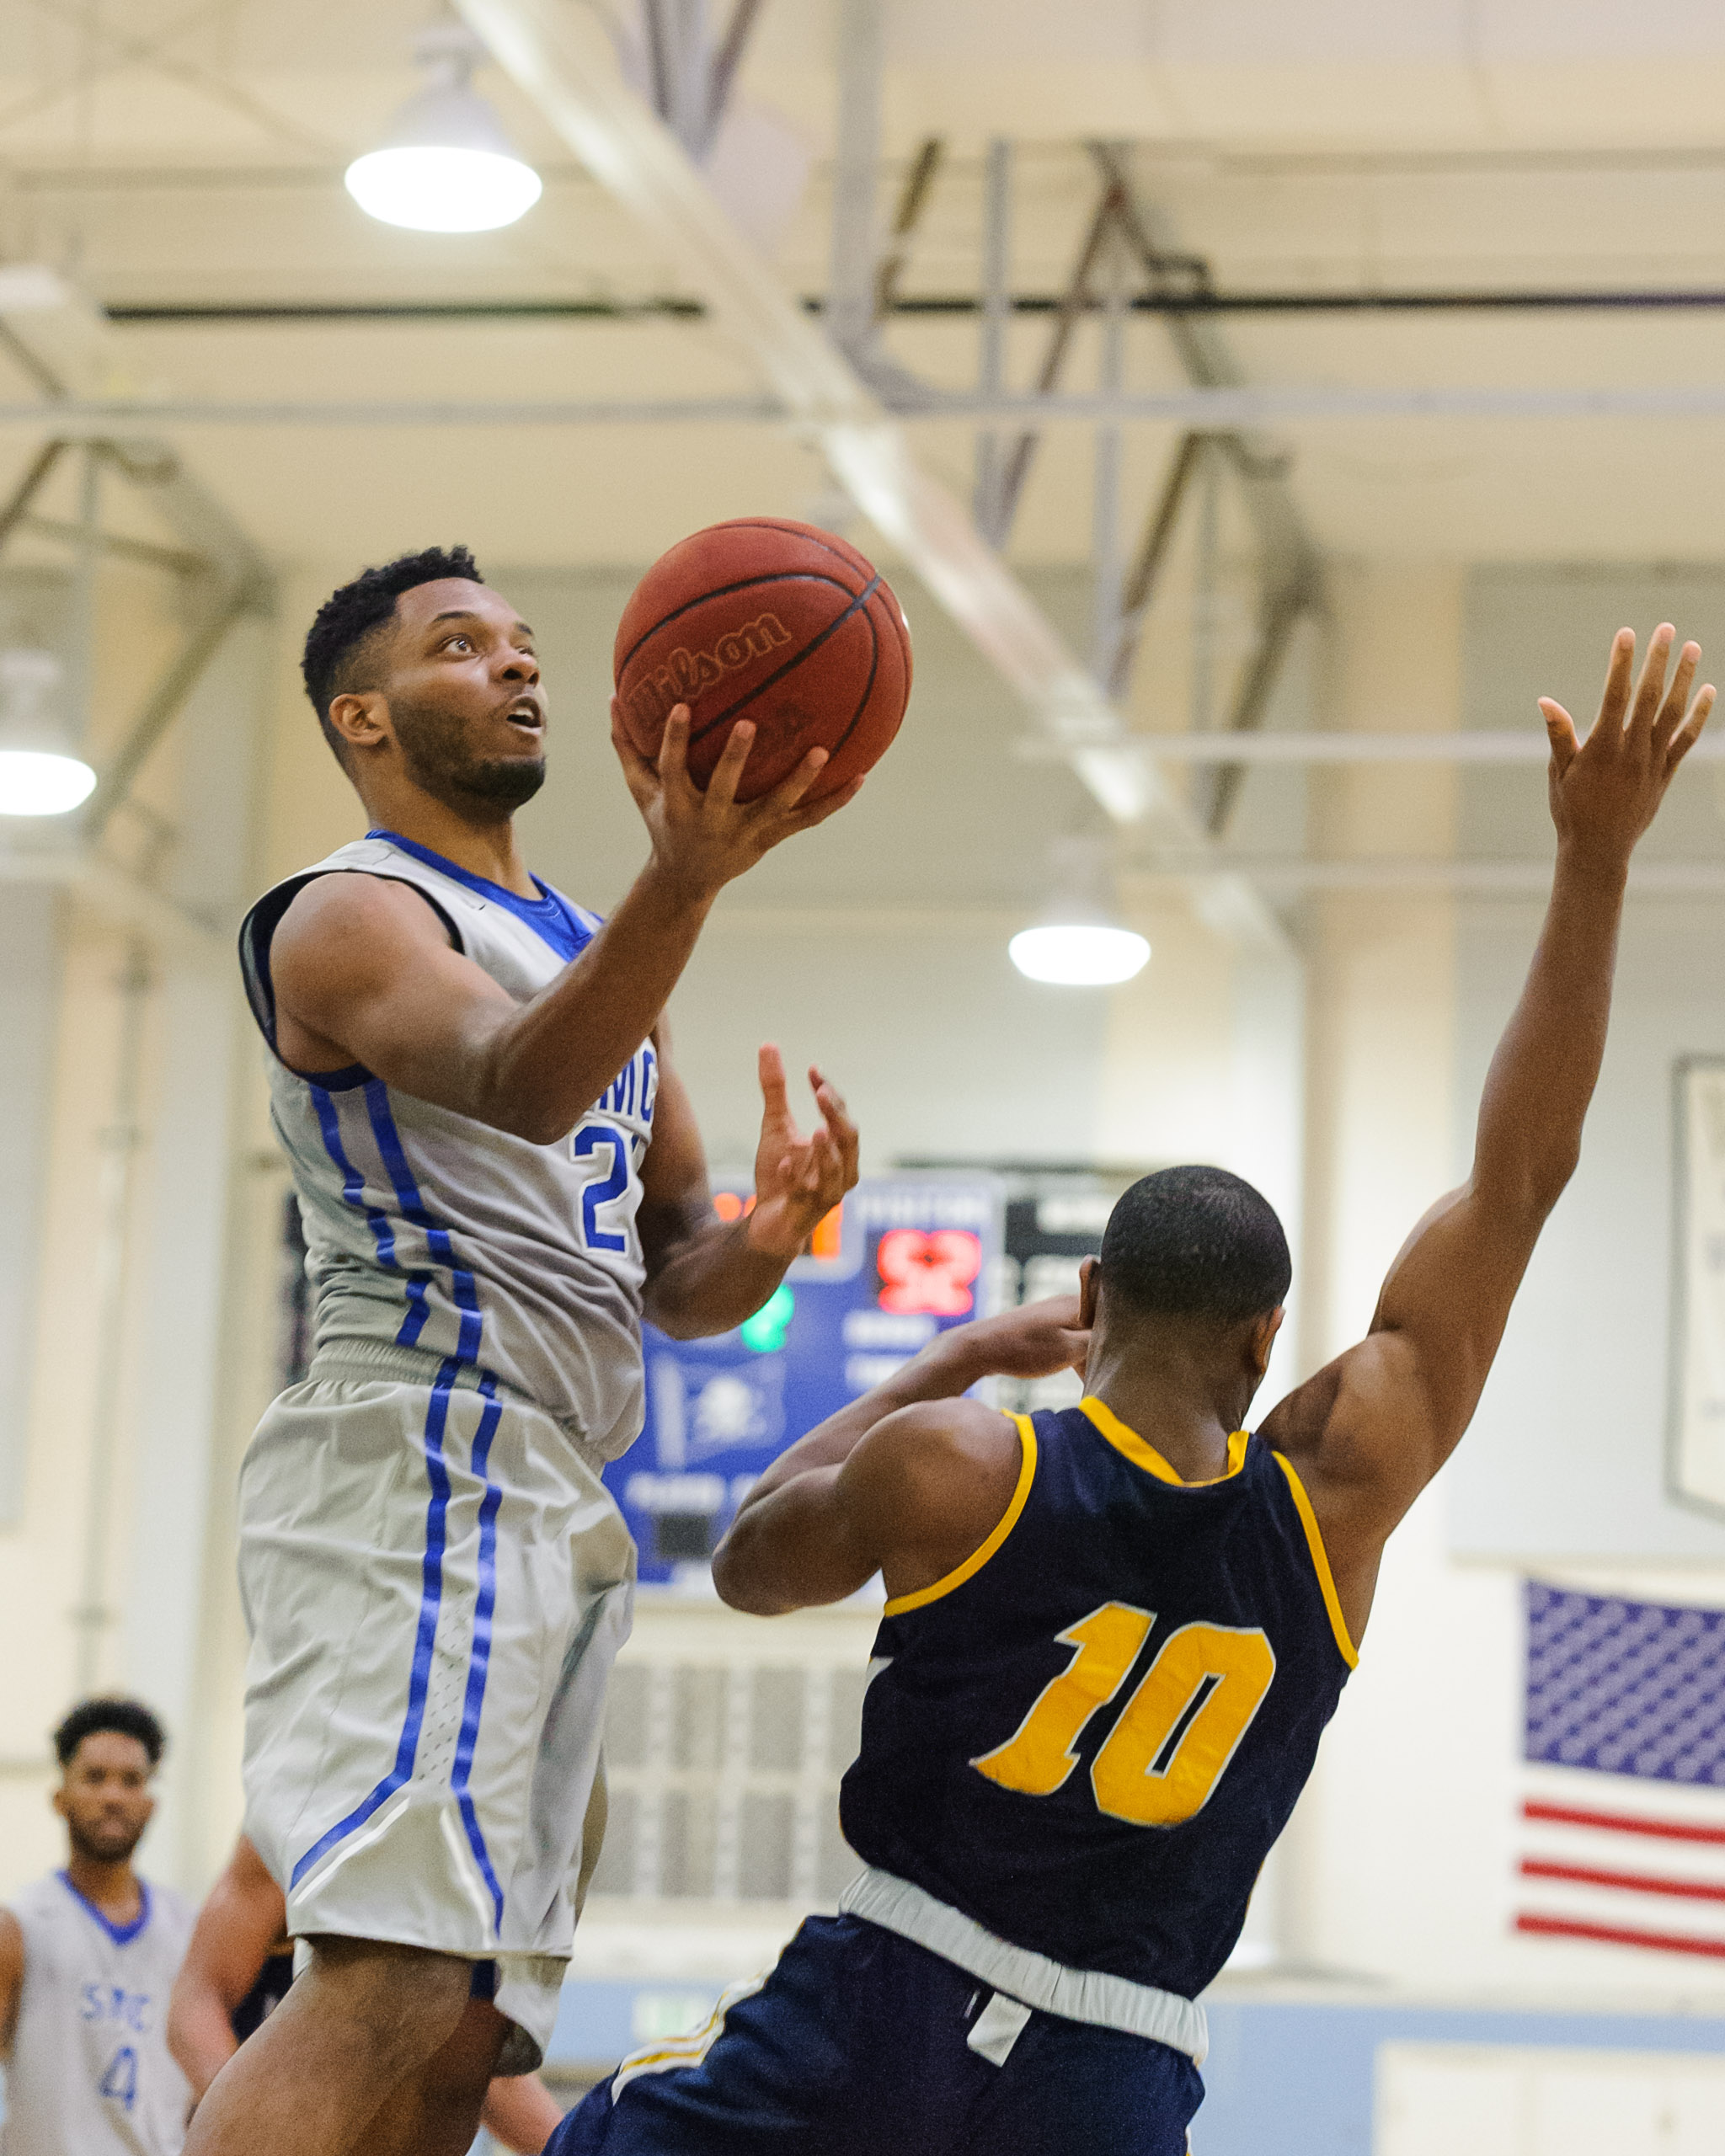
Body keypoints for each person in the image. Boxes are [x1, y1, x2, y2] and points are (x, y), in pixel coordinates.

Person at [545, 621, 1713, 2156]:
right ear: (1262, 1336)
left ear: (1087, 1305)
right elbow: (1517, 1180)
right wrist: (1594, 862)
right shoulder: (1337, 1495)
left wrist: (952, 1355)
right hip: (1112, 2068)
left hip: (885, 2002)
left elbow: (756, 1558)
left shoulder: (963, 1463)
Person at [185, 545, 861, 2156]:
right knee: (381, 1981)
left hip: (555, 1487)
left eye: (523, 643)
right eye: (459, 645)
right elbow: (512, 1084)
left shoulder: (587, 941)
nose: (515, 666)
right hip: (414, 1455)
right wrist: (685, 876)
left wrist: (766, 1236)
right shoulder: (350, 914)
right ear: (363, 715)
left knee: (461, 2025)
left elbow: (675, 1275)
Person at [166, 1834, 564, 2153]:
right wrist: (246, 2120)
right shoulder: (302, 1837)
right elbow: (196, 2003)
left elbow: (493, 2075)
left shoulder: (477, 1861)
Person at [0, 1700, 195, 2156]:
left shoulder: (190, 1929)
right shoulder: (18, 1925)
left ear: (150, 1804)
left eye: (132, 1781)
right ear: (59, 1796)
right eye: (94, 1777)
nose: (113, 1796)